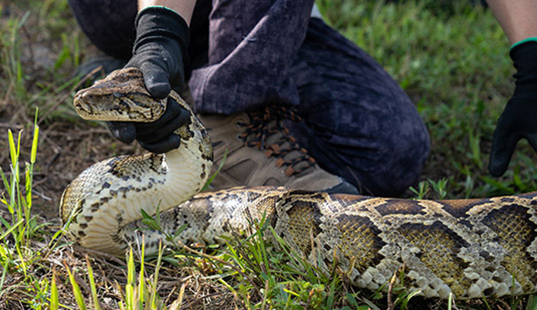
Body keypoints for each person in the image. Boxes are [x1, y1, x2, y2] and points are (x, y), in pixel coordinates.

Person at [68, 0, 537, 197]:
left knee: (390, 150)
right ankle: (229, 122)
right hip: (131, 6)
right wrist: (158, 31)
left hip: (258, 15)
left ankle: (174, 70)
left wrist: (532, 62)